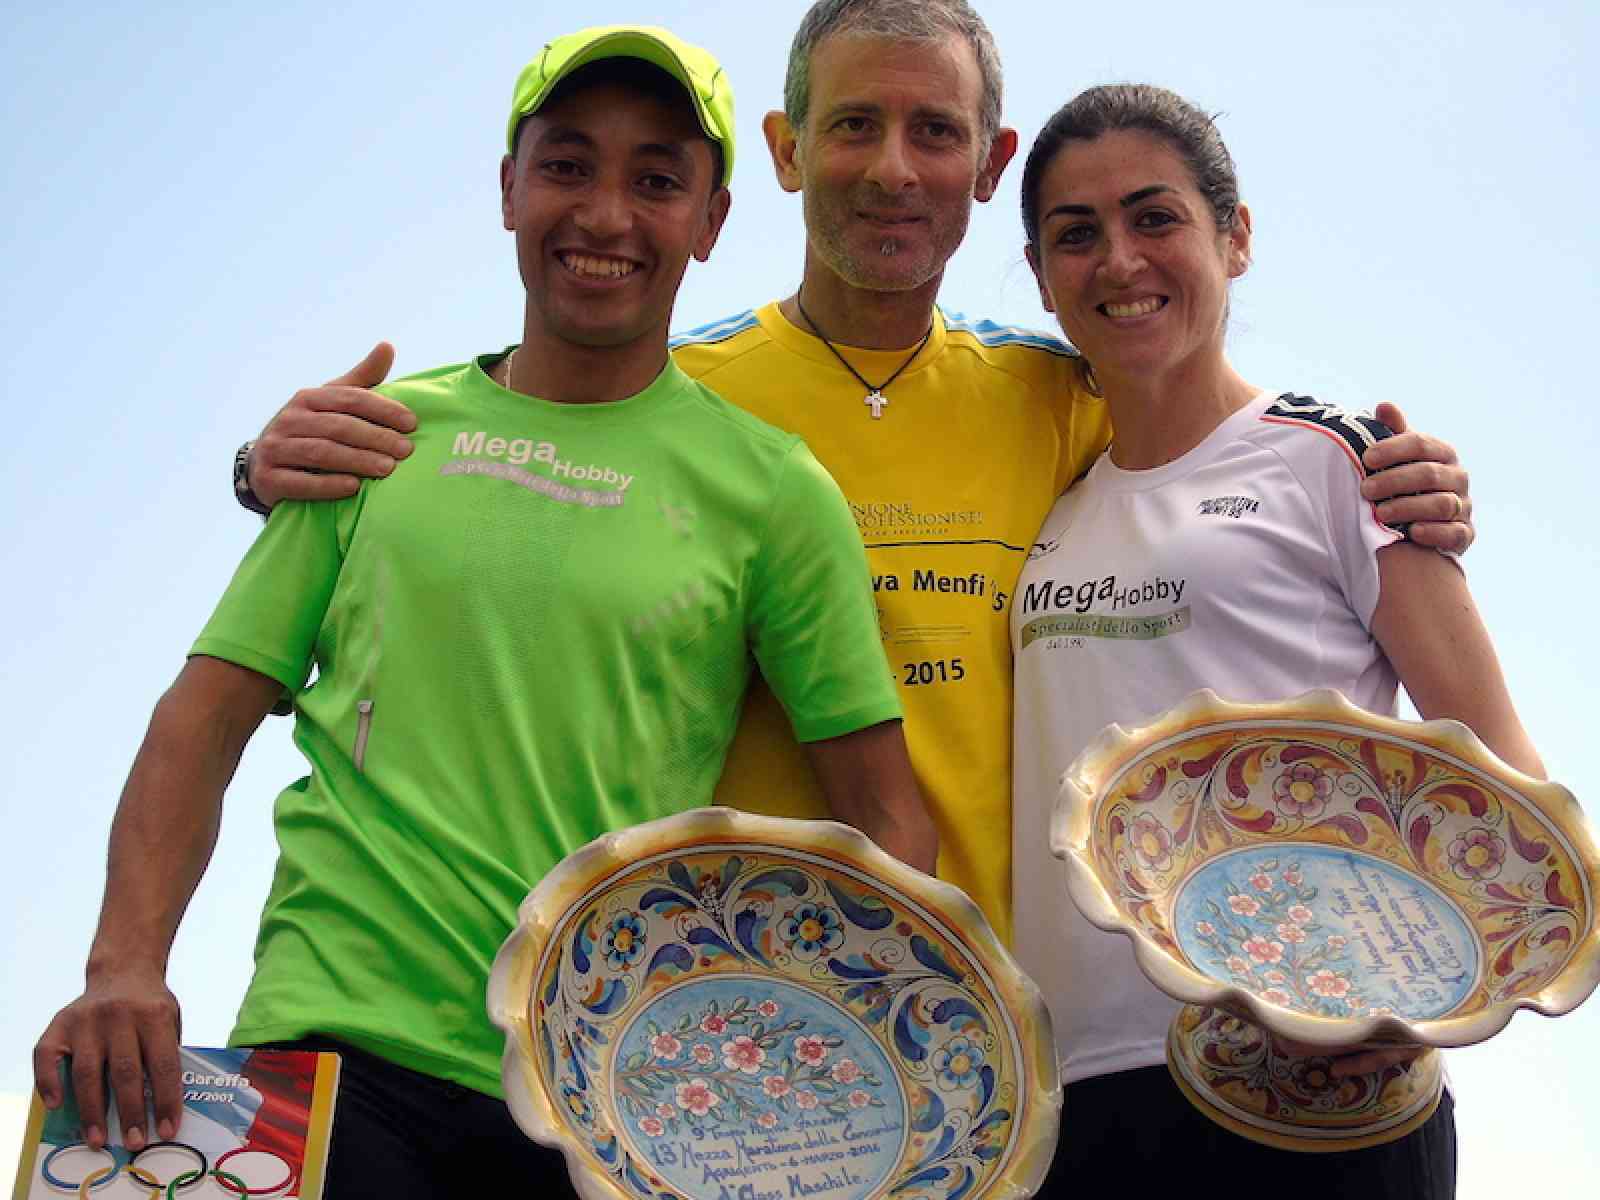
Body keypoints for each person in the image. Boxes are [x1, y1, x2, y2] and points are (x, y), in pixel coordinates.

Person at [232, 0, 1478, 955]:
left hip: (1015, 1018)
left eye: (933, 132)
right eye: (853, 125)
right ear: (783, 150)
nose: (892, 168)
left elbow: (1213, 437)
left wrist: (1387, 468)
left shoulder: (1065, 397)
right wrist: (265, 464)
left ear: (988, 167)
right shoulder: (683, 397)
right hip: (715, 1011)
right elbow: (488, 451)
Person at [33, 26, 938, 1198]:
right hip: (326, 1063)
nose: (605, 215)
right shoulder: (372, 438)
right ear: (508, 188)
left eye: (656, 180)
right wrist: (124, 968)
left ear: (710, 222)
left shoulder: (773, 490)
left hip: (608, 1102)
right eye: (566, 165)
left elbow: (886, 828)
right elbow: (202, 719)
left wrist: (810, 1084)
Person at [1011, 83, 1545, 1196]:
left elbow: (1508, 788)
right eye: (1076, 234)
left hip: (1317, 1093)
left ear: (1234, 236)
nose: (1118, 261)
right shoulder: (1049, 498)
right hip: (1074, 1093)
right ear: (1038, 273)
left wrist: (1427, 1002)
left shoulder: (1337, 459)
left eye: (1154, 218)